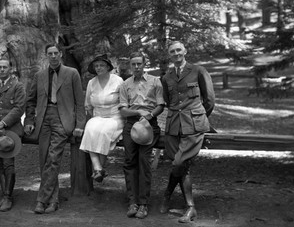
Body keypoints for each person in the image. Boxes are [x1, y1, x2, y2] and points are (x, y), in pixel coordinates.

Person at [24, 43, 86, 214]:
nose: (53, 56)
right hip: (43, 119)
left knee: (53, 158)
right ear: (46, 55)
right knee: (44, 160)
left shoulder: (72, 73)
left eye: (55, 53)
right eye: (49, 53)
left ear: (60, 54)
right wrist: (29, 120)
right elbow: (30, 100)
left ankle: (41, 200)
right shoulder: (40, 75)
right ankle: (54, 200)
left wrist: (80, 125)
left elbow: (80, 102)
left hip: (62, 119)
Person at [160, 41, 215, 223]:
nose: (176, 53)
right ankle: (190, 208)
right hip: (173, 126)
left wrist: (198, 118)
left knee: (178, 163)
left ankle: (169, 194)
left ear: (185, 51)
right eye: (172, 51)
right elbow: (169, 102)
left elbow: (209, 100)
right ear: (169, 55)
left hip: (193, 126)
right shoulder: (167, 76)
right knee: (183, 166)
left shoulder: (198, 71)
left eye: (178, 50)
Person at [118, 52, 165, 219]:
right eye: (133, 64)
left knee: (144, 162)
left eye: (139, 63)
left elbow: (161, 105)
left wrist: (149, 116)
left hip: (149, 124)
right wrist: (136, 112)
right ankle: (132, 202)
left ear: (144, 64)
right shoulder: (125, 84)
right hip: (131, 124)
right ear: (130, 66)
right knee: (130, 161)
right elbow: (123, 109)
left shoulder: (155, 81)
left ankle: (143, 204)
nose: (136, 67)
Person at [0, 58, 26, 212]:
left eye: (5, 67)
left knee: (8, 164)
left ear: (10, 69)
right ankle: (3, 195)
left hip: (11, 131)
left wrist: (3, 123)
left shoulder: (17, 86)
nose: (2, 70)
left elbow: (19, 108)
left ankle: (8, 197)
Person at [79, 54, 124, 182]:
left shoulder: (118, 81)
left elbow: (124, 101)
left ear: (108, 67)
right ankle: (98, 168)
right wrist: (93, 117)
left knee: (104, 132)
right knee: (90, 129)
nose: (99, 68)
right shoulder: (91, 83)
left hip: (115, 117)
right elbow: (88, 104)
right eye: (96, 66)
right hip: (98, 116)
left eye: (102, 65)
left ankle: (99, 168)